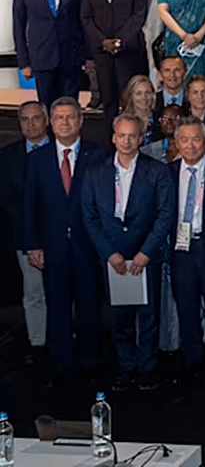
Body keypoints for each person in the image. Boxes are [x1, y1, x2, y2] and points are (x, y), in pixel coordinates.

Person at [81, 112, 174, 390]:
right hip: (113, 256)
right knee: (118, 317)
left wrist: (146, 252)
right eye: (121, 135)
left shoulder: (157, 171)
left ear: (141, 138)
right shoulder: (96, 172)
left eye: (132, 135)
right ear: (113, 138)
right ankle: (125, 367)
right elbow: (90, 216)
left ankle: (147, 368)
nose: (126, 140)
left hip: (146, 254)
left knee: (148, 316)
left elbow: (165, 214)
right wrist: (109, 254)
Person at [21, 98, 105, 382]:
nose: (65, 122)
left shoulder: (99, 155)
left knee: (89, 308)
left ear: (81, 121)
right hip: (51, 248)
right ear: (51, 123)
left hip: (89, 247)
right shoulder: (37, 159)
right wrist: (32, 244)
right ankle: (61, 367)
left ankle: (90, 365)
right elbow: (29, 205)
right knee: (56, 308)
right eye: (59, 118)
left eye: (71, 117)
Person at [167, 119, 205, 384]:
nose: (190, 145)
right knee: (187, 308)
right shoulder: (166, 173)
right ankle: (192, 362)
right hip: (181, 250)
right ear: (177, 144)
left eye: (196, 139)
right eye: (184, 140)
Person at [80, 0, 150, 121]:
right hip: (102, 53)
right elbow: (86, 17)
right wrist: (103, 41)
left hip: (128, 51)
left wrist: (120, 41)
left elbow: (139, 13)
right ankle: (110, 144)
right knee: (108, 101)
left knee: (129, 100)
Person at [1, 103, 50, 362]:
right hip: (26, 239)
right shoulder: (7, 157)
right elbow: (8, 202)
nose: (30, 125)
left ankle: (64, 337)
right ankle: (38, 344)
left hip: (60, 238)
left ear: (46, 121)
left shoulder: (60, 151)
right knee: (33, 293)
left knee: (64, 292)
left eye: (35, 119)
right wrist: (31, 240)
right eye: (25, 120)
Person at [14, 0, 84, 107]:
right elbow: (18, 25)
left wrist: (86, 56)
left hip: (70, 59)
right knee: (45, 108)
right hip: (41, 59)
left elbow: (82, 20)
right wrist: (24, 62)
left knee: (69, 109)